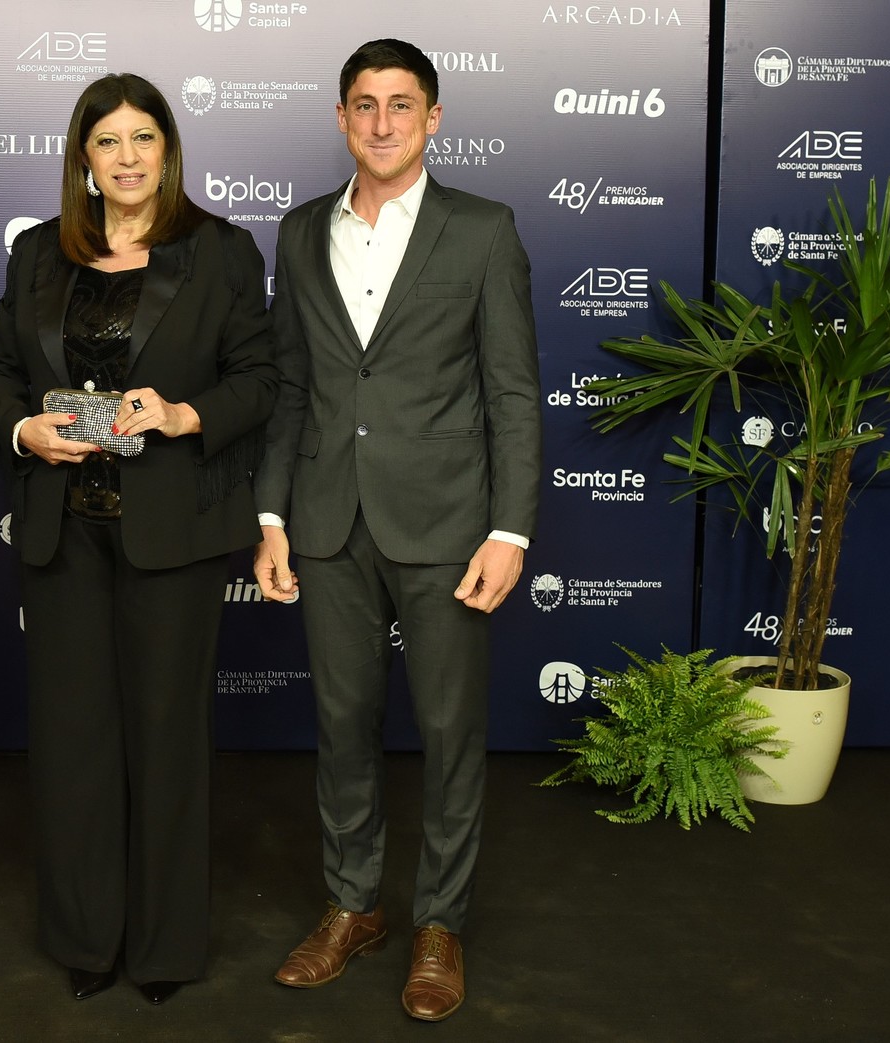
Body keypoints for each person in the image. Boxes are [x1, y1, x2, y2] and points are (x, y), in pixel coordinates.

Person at [253, 39, 541, 1022]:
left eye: (400, 104)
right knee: (340, 728)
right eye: (363, 104)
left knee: (451, 732)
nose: (380, 121)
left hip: (449, 526)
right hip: (328, 520)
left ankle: (438, 923)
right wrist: (270, 515)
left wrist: (509, 529)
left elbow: (510, 391)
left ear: (432, 118)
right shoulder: (296, 232)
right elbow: (291, 387)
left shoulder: (482, 230)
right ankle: (352, 905)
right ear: (340, 117)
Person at [0, 73, 276, 1006]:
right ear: (84, 160)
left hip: (170, 537)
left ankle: (164, 946)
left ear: (168, 149)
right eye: (109, 141)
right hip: (64, 535)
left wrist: (184, 414)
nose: (129, 156)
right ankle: (83, 935)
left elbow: (260, 378)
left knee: (166, 740)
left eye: (145, 137)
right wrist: (26, 430)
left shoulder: (220, 251)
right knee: (72, 743)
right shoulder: (35, 254)